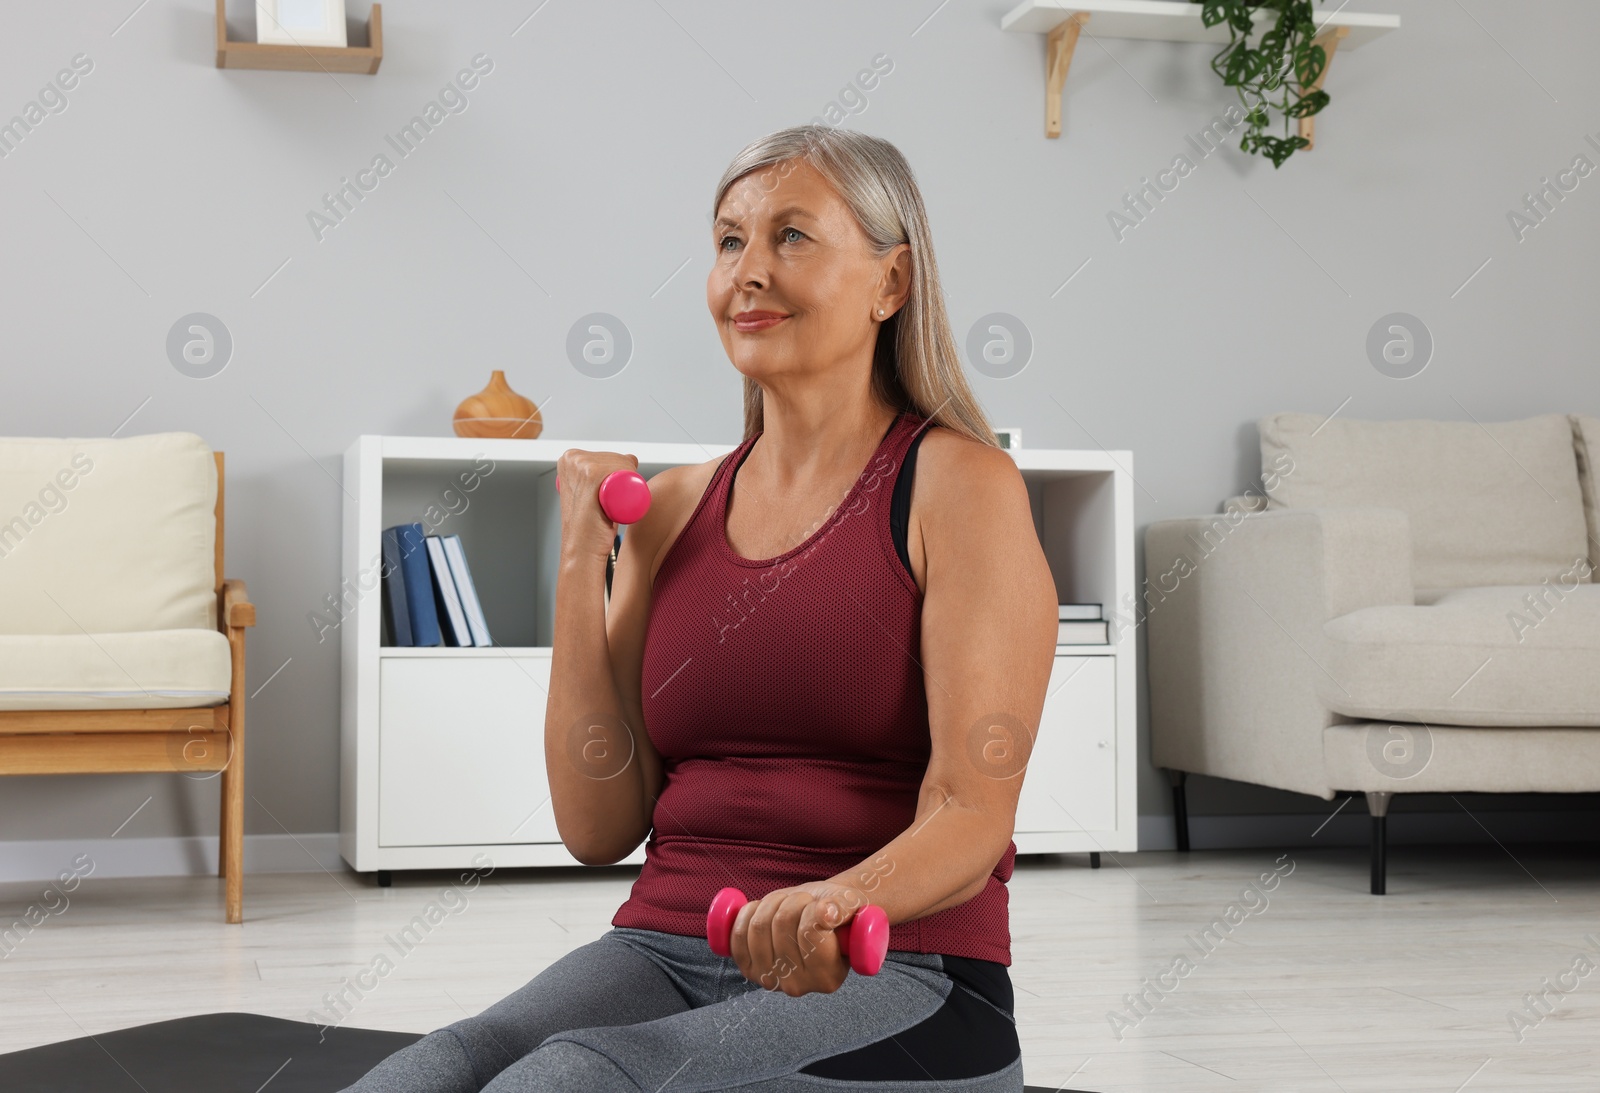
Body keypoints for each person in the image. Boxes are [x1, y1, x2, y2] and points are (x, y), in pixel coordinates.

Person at [340, 124, 1058, 1092]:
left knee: (573, 1080)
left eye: (792, 237)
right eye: (729, 241)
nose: (747, 272)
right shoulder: (673, 510)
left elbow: (973, 810)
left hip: (902, 974)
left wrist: (830, 905)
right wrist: (579, 553)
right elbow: (599, 823)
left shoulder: (960, 487)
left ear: (891, 283)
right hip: (665, 947)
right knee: (445, 1063)